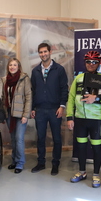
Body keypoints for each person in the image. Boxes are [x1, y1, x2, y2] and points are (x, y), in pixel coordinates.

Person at [67, 51, 101, 188]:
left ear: (99, 63)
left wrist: (97, 98)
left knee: (96, 148)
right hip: (80, 119)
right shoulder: (78, 78)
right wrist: (69, 117)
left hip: (96, 119)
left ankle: (96, 174)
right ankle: (82, 172)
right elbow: (71, 98)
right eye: (88, 61)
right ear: (85, 63)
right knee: (81, 147)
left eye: (94, 62)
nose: (91, 64)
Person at [30, 43, 69, 176]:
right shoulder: (35, 71)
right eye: (40, 52)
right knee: (40, 138)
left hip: (54, 109)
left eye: (45, 51)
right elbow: (33, 90)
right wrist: (33, 107)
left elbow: (64, 89)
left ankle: (55, 163)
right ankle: (41, 162)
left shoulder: (59, 69)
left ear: (50, 52)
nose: (43, 54)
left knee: (57, 138)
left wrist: (62, 106)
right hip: (40, 109)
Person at [1, 58, 32, 174]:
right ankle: (14, 160)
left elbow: (29, 97)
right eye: (10, 65)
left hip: (20, 115)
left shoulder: (24, 79)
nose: (12, 67)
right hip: (9, 114)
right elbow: (3, 98)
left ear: (18, 67)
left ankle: (20, 163)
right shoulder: (5, 80)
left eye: (14, 65)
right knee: (13, 139)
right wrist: (3, 114)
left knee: (19, 139)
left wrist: (26, 115)